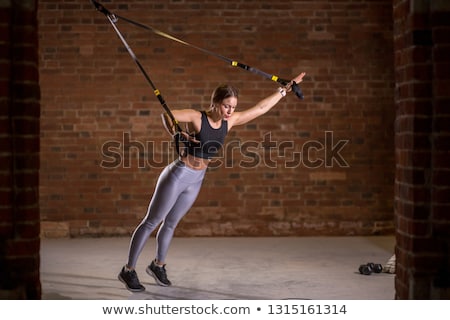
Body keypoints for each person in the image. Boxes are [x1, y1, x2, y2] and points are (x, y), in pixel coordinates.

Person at [118, 72, 306, 292]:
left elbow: (261, 108)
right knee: (152, 221)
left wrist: (284, 90)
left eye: (233, 107)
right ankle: (128, 270)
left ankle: (157, 265)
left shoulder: (230, 121)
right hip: (179, 174)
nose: (230, 111)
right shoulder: (198, 117)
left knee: (171, 223)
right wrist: (177, 133)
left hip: (197, 179)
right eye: (227, 106)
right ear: (216, 103)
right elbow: (167, 115)